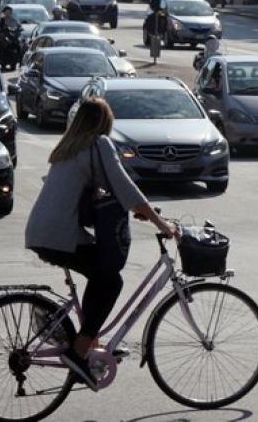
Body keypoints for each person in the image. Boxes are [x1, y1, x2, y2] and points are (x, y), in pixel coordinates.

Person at [25, 98, 179, 391]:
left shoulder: (67, 148)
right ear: (103, 123)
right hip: (60, 235)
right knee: (111, 281)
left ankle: (90, 340)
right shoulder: (99, 145)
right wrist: (163, 225)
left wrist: (143, 211)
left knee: (99, 272)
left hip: (41, 232)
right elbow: (124, 186)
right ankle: (79, 350)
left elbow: (104, 192)